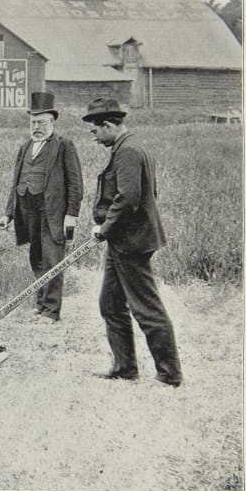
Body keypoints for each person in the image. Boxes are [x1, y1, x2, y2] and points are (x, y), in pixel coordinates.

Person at [83, 97, 183, 387]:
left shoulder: (127, 151)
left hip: (131, 242)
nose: (94, 136)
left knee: (146, 308)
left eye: (95, 130)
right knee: (110, 305)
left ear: (108, 125)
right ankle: (124, 367)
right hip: (122, 241)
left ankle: (169, 374)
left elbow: (128, 198)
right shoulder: (130, 146)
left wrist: (104, 228)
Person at [0, 92, 83, 323]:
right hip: (28, 212)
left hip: (53, 213)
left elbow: (75, 184)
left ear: (52, 122)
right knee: (36, 259)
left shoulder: (64, 145)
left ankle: (51, 312)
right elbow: (15, 183)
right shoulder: (25, 147)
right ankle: (41, 304)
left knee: (53, 260)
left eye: (41, 122)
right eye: (33, 122)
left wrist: (71, 215)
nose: (36, 127)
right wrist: (8, 214)